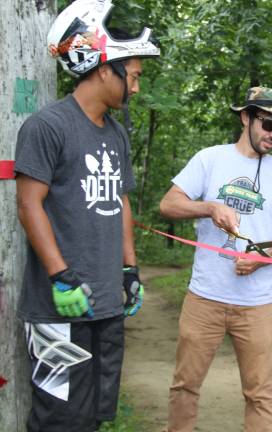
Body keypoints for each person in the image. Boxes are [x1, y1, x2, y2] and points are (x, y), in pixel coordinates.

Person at [13, 0, 159, 430]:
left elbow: (122, 201)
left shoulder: (116, 134)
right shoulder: (47, 126)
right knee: (58, 419)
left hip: (107, 306)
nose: (135, 89)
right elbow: (28, 204)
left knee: (94, 416)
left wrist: (130, 269)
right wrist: (60, 276)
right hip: (59, 308)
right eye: (131, 77)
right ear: (102, 67)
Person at [160, 86, 272, 432]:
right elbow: (168, 204)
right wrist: (210, 206)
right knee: (185, 386)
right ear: (245, 117)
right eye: (267, 124)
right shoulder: (210, 159)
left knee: (260, 394)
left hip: (255, 305)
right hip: (204, 297)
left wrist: (263, 258)